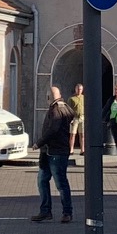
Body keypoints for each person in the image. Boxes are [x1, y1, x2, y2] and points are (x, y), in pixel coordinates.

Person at [33, 86, 74, 223]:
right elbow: (72, 114)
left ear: (49, 97)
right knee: (43, 180)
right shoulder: (63, 106)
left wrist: (39, 143)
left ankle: (66, 212)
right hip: (50, 151)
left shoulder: (56, 109)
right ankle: (45, 211)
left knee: (60, 183)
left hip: (55, 151)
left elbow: (53, 130)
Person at [70, 83, 86, 155]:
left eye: (80, 89)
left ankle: (82, 149)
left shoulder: (84, 98)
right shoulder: (71, 99)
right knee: (73, 134)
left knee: (82, 134)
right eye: (78, 89)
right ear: (75, 89)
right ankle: (71, 149)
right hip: (74, 118)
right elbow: (69, 109)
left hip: (82, 117)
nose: (79, 91)